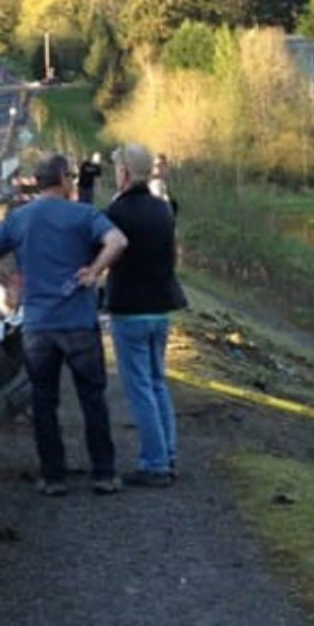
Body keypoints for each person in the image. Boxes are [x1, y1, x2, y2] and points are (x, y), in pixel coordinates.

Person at [0, 153, 128, 496]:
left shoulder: (20, 219)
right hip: (79, 323)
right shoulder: (85, 214)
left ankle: (53, 476)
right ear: (62, 178)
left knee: (44, 402)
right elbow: (117, 241)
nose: (74, 181)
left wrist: (11, 285)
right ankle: (104, 473)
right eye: (71, 176)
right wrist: (95, 270)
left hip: (38, 326)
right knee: (93, 399)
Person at [102, 143, 188, 487]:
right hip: (160, 307)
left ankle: (154, 464)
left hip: (130, 309)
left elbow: (103, 249)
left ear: (124, 173)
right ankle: (167, 454)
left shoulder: (117, 212)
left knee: (139, 388)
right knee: (157, 383)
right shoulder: (163, 209)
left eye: (117, 169)